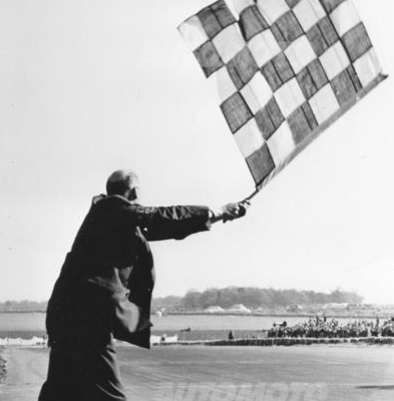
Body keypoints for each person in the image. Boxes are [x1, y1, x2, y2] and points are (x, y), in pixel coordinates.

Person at [38, 170, 248, 401]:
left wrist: (218, 216)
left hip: (67, 315)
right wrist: (217, 211)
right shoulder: (111, 208)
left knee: (59, 389)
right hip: (88, 317)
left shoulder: (111, 217)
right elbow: (159, 217)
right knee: (109, 394)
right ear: (135, 191)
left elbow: (164, 226)